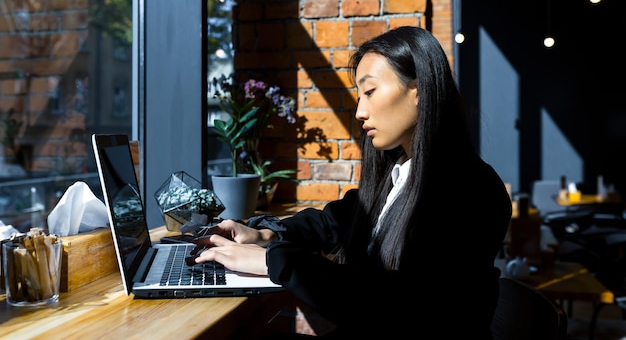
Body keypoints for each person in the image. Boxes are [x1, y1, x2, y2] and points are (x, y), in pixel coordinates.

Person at [194, 26, 512, 339]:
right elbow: (334, 221)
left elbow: (397, 303)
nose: (360, 111)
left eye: (370, 91)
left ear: (418, 90)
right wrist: (266, 233)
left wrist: (272, 260)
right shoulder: (399, 173)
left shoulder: (469, 190)